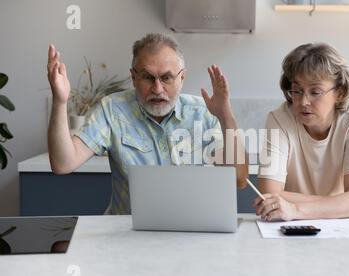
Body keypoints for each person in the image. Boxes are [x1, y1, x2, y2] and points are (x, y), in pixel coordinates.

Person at [47, 33, 248, 214]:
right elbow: (63, 164)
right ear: (134, 77)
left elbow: (239, 180)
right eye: (147, 77)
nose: (157, 88)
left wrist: (225, 116)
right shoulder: (112, 109)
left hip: (192, 232)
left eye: (166, 78)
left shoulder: (203, 113)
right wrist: (60, 101)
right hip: (127, 234)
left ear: (182, 78)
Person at [253, 43, 349, 221]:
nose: (303, 102)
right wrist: (343, 204)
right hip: (292, 224)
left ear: (339, 92)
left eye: (315, 92)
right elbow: (269, 193)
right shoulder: (279, 120)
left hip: (338, 225)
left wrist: (294, 209)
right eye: (297, 91)